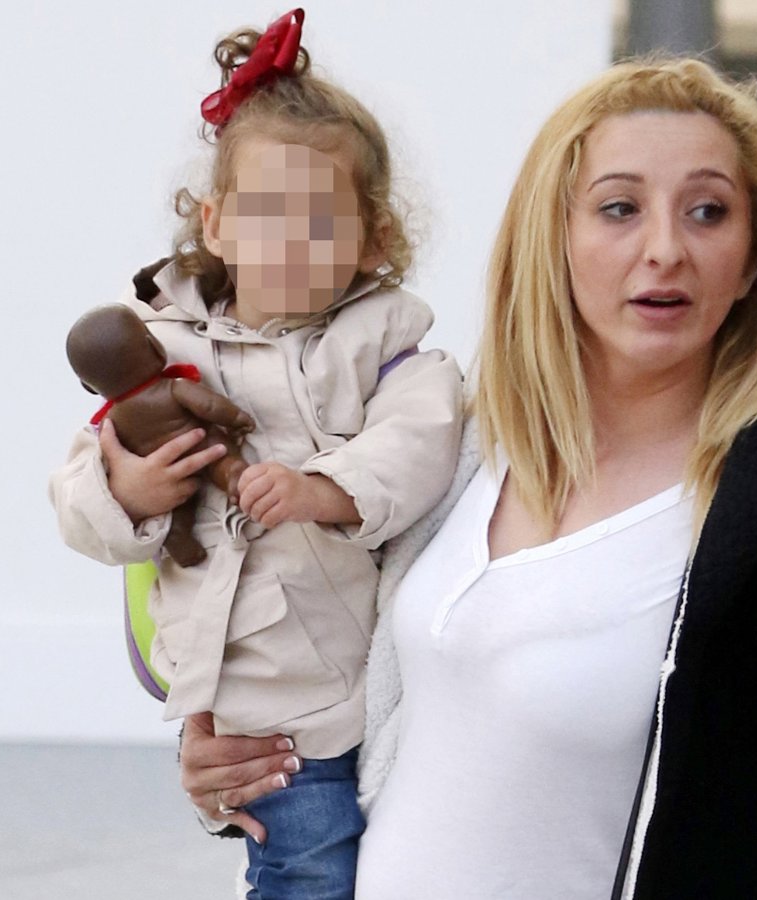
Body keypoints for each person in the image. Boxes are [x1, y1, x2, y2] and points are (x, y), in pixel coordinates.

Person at [178, 57, 757, 898]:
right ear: (554, 238)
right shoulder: (466, 448)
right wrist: (246, 756)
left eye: (708, 212)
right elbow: (336, 650)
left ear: (752, 260)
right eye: (620, 208)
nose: (664, 249)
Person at [49, 9, 462, 899]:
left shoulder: (386, 347)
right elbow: (78, 496)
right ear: (216, 223)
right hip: (255, 700)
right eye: (264, 216)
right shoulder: (163, 349)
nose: (288, 242)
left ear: (373, 240)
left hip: (358, 672)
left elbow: (422, 440)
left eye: (320, 223)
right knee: (304, 863)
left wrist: (325, 488)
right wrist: (128, 487)